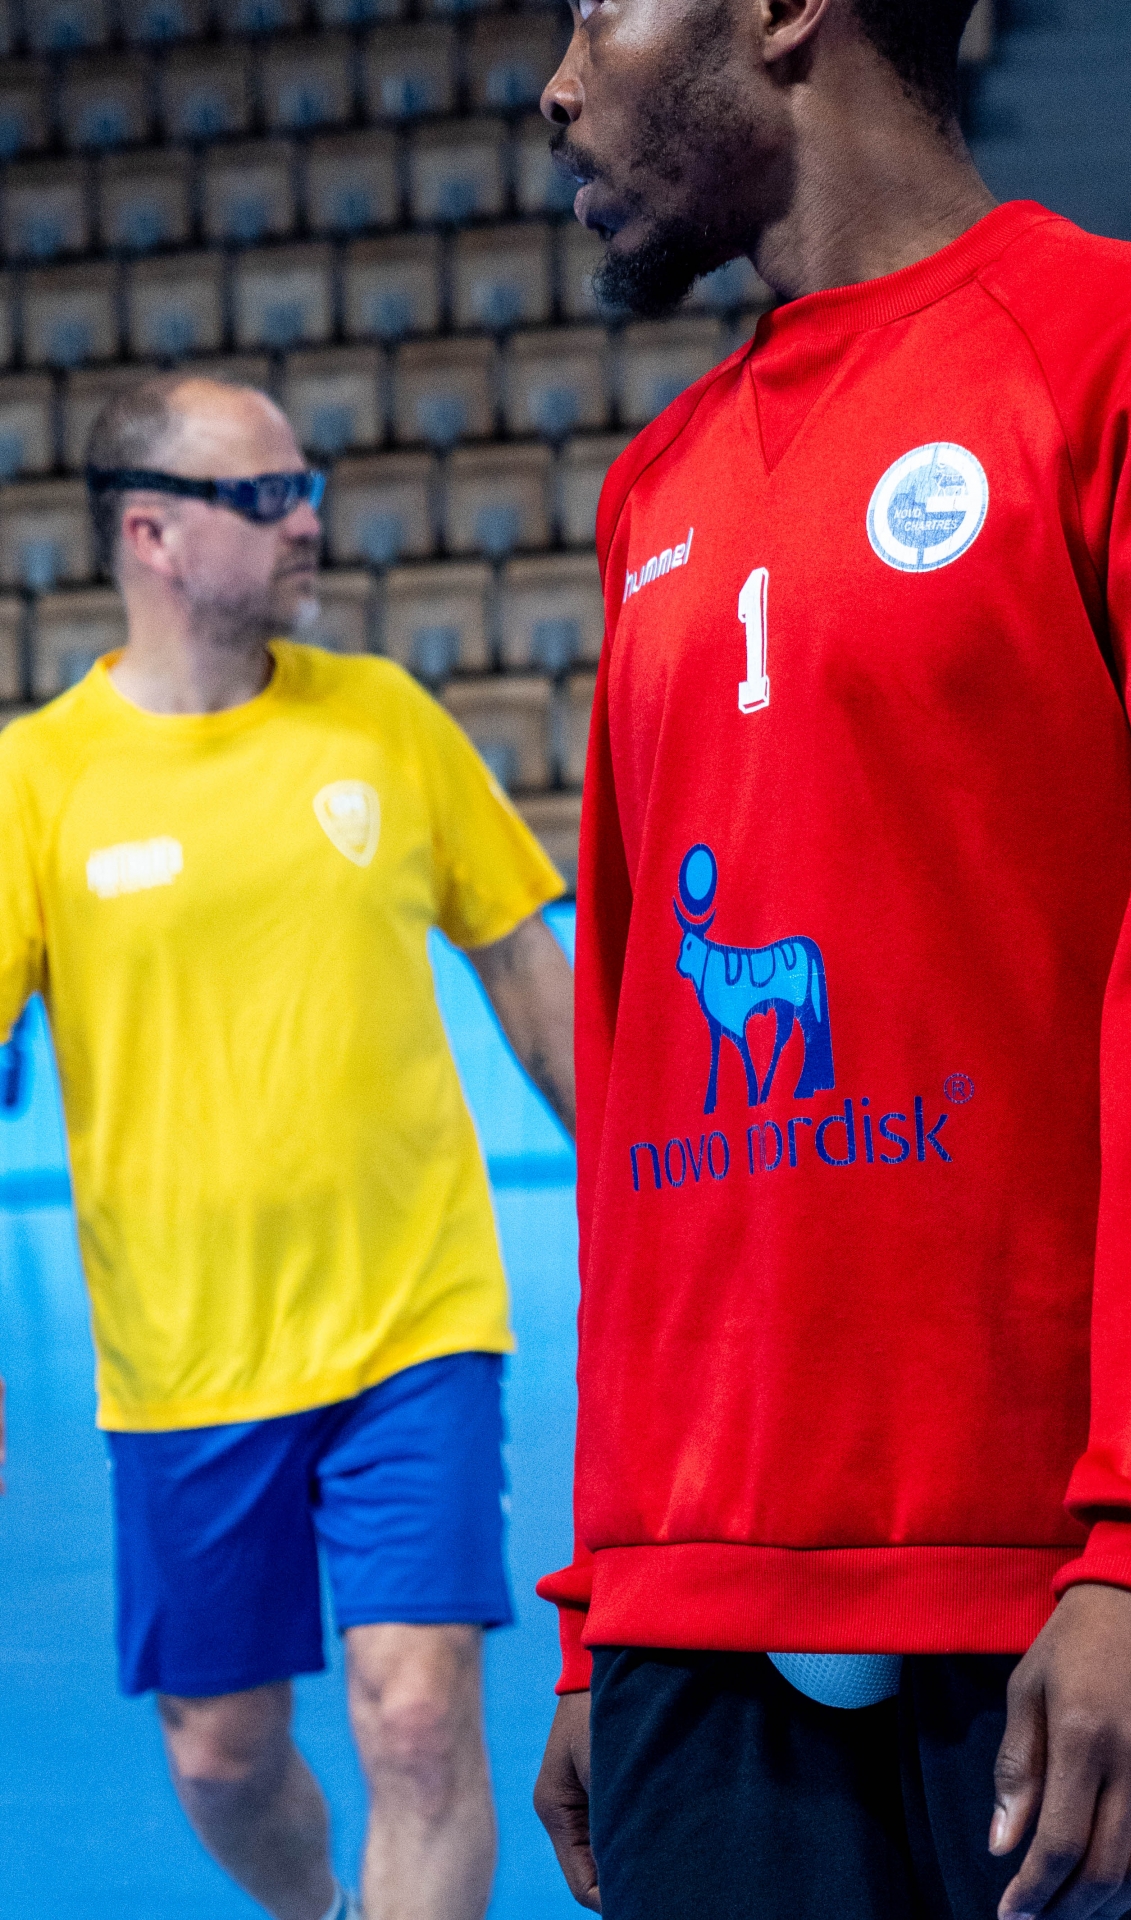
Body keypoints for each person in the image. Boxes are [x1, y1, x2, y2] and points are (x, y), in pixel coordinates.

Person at [529, 2, 1131, 1918]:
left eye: (602, 5)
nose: (560, 83)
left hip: (1060, 1593)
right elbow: (642, 1064)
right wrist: (607, 1595)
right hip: (696, 1610)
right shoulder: (652, 491)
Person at [0, 373, 576, 1920]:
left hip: (414, 1327)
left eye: (303, 486)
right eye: (265, 496)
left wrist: (663, 1208)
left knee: (418, 1724)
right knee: (222, 1758)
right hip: (183, 1367)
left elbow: (530, 974)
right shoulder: (38, 781)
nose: (307, 517)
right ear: (152, 533)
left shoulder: (385, 719)